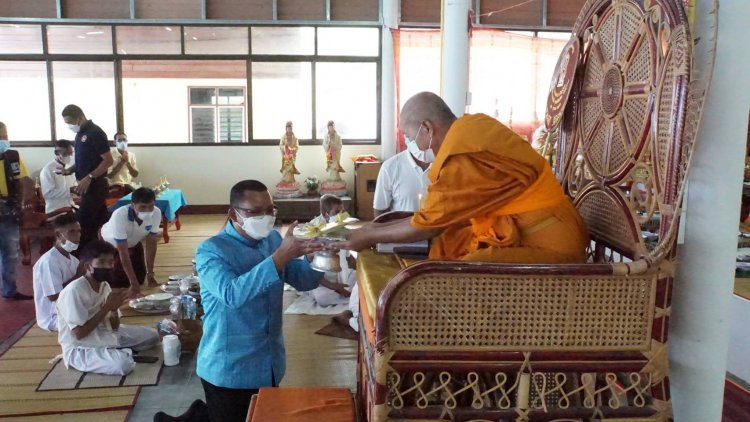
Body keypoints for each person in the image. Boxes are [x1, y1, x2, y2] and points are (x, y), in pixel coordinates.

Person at [335, 92, 588, 264]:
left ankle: (467, 339)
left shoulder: (461, 153)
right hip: (525, 226)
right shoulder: (473, 126)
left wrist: (370, 236)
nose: (409, 142)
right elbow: (433, 219)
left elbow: (428, 224)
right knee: (451, 239)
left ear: (427, 127)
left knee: (463, 271)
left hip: (549, 242)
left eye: (409, 135)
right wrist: (371, 228)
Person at [189, 180, 324, 422]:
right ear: (234, 214)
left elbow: (304, 281)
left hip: (269, 364)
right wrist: (279, 258)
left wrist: (319, 256)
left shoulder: (272, 239)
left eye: (269, 210)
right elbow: (231, 294)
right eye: (255, 212)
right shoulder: (211, 250)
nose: (265, 217)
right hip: (229, 369)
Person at [56, 240, 159, 375]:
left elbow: (115, 327)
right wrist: (105, 308)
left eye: (110, 262)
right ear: (88, 266)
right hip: (80, 347)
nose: (108, 266)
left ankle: (115, 351)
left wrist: (114, 310)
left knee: (153, 336)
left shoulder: (105, 285)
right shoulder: (74, 291)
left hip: (105, 333)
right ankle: (118, 354)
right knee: (123, 365)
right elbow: (79, 334)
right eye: (102, 262)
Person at [60, 104, 114, 247]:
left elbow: (108, 161)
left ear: (79, 118)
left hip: (95, 185)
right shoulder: (79, 135)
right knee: (101, 221)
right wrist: (70, 170)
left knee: (82, 223)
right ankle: (103, 250)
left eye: (70, 122)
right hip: (86, 186)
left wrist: (89, 177)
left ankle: (80, 254)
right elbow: (85, 160)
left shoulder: (95, 132)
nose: (69, 126)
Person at [100, 187, 161, 297]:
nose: (147, 210)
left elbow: (151, 244)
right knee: (119, 282)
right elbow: (123, 251)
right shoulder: (120, 215)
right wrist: (133, 283)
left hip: (133, 242)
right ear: (133, 205)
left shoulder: (156, 213)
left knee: (140, 279)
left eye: (151, 206)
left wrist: (150, 274)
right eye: (142, 207)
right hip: (112, 245)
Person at [32, 213, 83, 331]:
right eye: (71, 232)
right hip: (53, 317)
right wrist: (78, 276)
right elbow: (53, 296)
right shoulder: (49, 261)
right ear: (58, 235)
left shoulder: (73, 260)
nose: (77, 236)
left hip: (70, 309)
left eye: (79, 231)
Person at [0, 121, 33, 300]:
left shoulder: (13, 156)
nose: (4, 140)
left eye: (5, 137)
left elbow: (24, 181)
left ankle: (9, 290)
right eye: (1, 137)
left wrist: (22, 204)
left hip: (9, 211)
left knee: (10, 253)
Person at [309, 195, 356, 307]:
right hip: (323, 283)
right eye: (337, 212)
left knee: (361, 280)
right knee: (322, 298)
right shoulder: (313, 232)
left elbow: (349, 258)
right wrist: (335, 287)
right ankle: (351, 300)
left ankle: (350, 297)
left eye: (343, 211)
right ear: (326, 214)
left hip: (343, 277)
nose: (341, 215)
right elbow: (310, 270)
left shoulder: (343, 229)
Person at [372, 139, 431, 218]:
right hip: (403, 229)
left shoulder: (446, 164)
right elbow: (380, 211)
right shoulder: (390, 167)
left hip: (439, 229)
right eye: (408, 135)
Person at [40, 140, 77, 213]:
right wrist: (70, 190)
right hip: (55, 212)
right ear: (57, 153)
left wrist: (77, 190)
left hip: (71, 208)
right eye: (66, 154)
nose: (69, 156)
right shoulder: (47, 170)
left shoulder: (70, 169)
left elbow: (74, 187)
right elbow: (47, 194)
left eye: (71, 153)